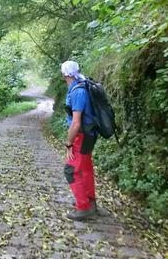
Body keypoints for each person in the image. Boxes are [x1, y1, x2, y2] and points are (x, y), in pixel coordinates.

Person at [61, 60, 98, 220]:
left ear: (65, 74)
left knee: (70, 169)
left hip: (81, 136)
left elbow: (76, 123)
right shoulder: (83, 84)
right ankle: (90, 202)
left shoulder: (77, 92)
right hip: (90, 133)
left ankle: (83, 207)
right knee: (85, 167)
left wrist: (69, 143)